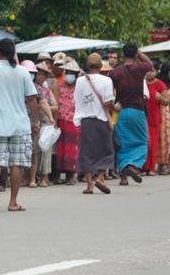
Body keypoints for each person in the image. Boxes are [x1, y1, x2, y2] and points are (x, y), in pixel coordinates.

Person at [0, 38, 40, 213]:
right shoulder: (23, 72)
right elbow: (32, 98)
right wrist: (36, 120)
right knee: (16, 164)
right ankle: (13, 202)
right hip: (20, 124)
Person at [109, 43, 153, 185]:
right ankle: (132, 165)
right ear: (135, 55)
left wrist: (113, 106)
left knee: (122, 143)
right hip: (137, 111)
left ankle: (123, 177)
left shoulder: (115, 72)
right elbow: (150, 63)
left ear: (122, 55)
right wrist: (139, 53)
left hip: (121, 111)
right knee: (141, 141)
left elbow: (109, 92)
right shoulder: (140, 68)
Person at [73, 53, 115, 194]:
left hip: (86, 120)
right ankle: (101, 178)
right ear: (101, 66)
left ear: (87, 65)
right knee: (106, 150)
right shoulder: (107, 80)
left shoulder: (79, 81)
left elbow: (76, 100)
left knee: (86, 152)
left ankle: (89, 185)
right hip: (102, 119)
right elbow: (108, 101)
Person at [22, 60, 55, 188]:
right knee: (21, 151)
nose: (31, 75)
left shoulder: (36, 88)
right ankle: (23, 178)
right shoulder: (16, 86)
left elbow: (43, 103)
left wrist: (50, 117)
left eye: (32, 73)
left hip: (33, 123)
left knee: (33, 151)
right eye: (28, 72)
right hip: (19, 124)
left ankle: (31, 179)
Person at [54, 59, 81, 185]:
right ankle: (60, 173)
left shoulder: (79, 87)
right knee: (60, 148)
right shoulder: (59, 86)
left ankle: (72, 175)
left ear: (76, 74)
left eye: (72, 72)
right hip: (60, 120)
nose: (69, 74)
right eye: (68, 72)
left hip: (73, 121)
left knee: (72, 149)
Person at [33, 62, 58, 187]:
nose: (40, 77)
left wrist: (44, 107)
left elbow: (55, 106)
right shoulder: (31, 87)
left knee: (46, 150)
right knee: (34, 150)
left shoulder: (47, 90)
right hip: (35, 122)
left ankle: (44, 177)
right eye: (38, 74)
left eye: (43, 75)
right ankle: (32, 177)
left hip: (46, 123)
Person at [144, 61, 169, 175]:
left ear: (156, 71)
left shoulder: (160, 84)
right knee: (144, 142)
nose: (149, 73)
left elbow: (166, 101)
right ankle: (142, 167)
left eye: (152, 71)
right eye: (147, 71)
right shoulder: (142, 83)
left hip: (154, 116)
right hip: (142, 115)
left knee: (153, 143)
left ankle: (151, 168)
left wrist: (160, 98)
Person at [157, 63, 170, 175]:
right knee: (158, 138)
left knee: (166, 139)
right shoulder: (157, 83)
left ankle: (165, 164)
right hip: (157, 112)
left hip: (166, 114)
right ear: (169, 72)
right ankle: (157, 164)